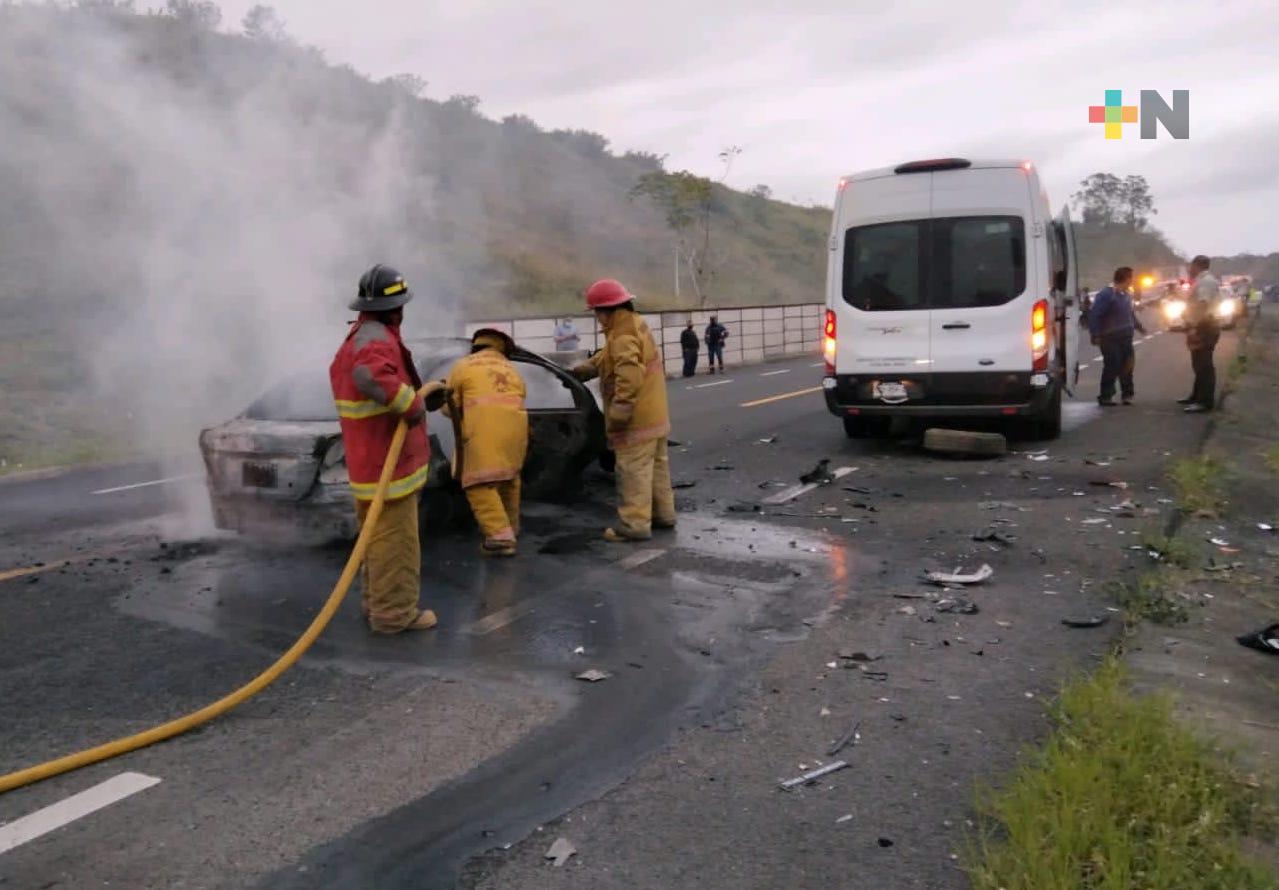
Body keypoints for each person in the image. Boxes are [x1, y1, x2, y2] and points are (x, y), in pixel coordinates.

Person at [330, 264, 447, 634]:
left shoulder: (361, 335)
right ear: (397, 307)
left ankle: (376, 606)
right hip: (387, 465)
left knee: (377, 543)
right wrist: (410, 405)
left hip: (371, 463)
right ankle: (394, 616)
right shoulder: (375, 339)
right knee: (396, 545)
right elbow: (370, 376)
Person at [571, 279, 676, 542]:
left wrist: (618, 416)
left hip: (636, 421)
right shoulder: (633, 324)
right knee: (656, 468)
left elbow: (628, 378)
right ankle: (663, 515)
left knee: (632, 471)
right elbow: (608, 357)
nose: (597, 319)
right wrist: (582, 370)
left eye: (597, 312)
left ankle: (634, 525)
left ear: (607, 310)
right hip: (655, 417)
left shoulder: (621, 336)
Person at [444, 329, 529, 557]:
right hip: (516, 435)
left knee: (479, 484)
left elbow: (447, 408)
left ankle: (500, 539)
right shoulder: (511, 369)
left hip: (484, 435)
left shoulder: (463, 366)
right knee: (508, 479)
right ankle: (512, 528)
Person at [1088, 266, 1146, 406]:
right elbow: (1095, 314)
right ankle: (1105, 396)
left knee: (1128, 365)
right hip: (1110, 337)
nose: (1132, 281)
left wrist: (1139, 326)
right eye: (1131, 278)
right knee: (1112, 365)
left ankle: (1127, 394)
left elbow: (1130, 313)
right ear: (1125, 279)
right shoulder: (1107, 294)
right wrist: (1095, 334)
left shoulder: (1126, 294)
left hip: (1126, 336)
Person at [1180, 255, 1220, 413]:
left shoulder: (1206, 281)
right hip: (1203, 326)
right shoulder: (1203, 280)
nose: (1189, 269)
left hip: (1205, 327)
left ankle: (1204, 402)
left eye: (1191, 266)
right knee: (1198, 363)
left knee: (1204, 365)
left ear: (1197, 266)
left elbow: (1203, 304)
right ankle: (1196, 396)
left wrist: (1195, 327)